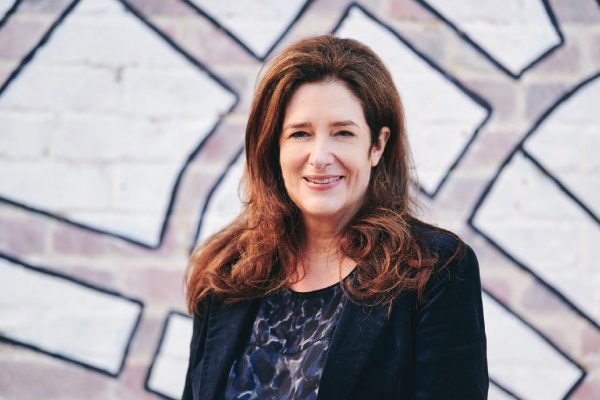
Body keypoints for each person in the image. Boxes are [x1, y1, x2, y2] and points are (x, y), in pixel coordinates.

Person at [182, 35, 488, 400]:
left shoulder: (435, 270)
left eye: (343, 133)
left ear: (377, 145)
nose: (319, 157)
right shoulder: (227, 272)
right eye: (300, 134)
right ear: (274, 146)